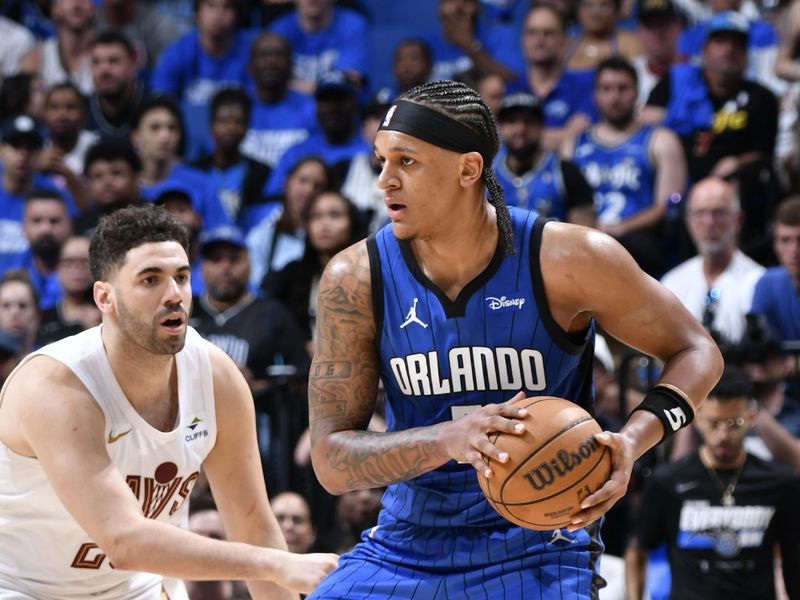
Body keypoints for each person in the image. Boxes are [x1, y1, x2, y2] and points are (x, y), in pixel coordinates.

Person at [307, 79, 723, 598]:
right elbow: (329, 461)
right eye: (381, 161)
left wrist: (631, 444)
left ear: (468, 168)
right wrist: (448, 441)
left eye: (406, 162)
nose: (384, 182)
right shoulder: (354, 277)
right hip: (405, 541)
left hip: (540, 543)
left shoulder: (569, 259)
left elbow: (698, 351)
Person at [0, 204, 338, 598]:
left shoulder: (216, 377)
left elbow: (254, 527)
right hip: (25, 587)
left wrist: (275, 567)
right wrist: (276, 563)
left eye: (181, 277)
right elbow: (123, 541)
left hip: (137, 588)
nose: (174, 294)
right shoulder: (56, 386)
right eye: (150, 280)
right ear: (105, 298)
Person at [625, 365, 800, 600]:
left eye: (734, 424)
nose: (723, 435)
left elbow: (793, 559)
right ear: (696, 419)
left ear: (752, 417)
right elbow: (638, 550)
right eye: (713, 423)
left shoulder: (779, 482)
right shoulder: (668, 481)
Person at [642, 11, 779, 260]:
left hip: (731, 185)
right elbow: (644, 127)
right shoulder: (676, 82)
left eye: (737, 44)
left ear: (747, 54)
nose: (729, 50)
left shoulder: (762, 98)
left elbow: (763, 154)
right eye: (720, 42)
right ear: (704, 49)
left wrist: (737, 163)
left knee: (743, 186)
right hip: (677, 183)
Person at [563, 56, 687, 277]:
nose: (615, 97)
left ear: (637, 92)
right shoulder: (575, 143)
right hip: (583, 242)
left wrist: (620, 228)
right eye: (606, 89)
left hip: (639, 244)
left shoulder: (660, 139)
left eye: (623, 89)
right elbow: (562, 200)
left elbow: (666, 207)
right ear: (595, 95)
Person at [660, 177, 764, 344]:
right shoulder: (672, 283)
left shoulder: (759, 281)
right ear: (688, 221)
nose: (709, 223)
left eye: (719, 213)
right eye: (700, 214)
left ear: (738, 220)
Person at [261, 191, 367, 350]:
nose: (324, 224)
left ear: (352, 223)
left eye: (335, 215)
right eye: (316, 217)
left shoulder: (370, 271)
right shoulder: (291, 275)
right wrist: (301, 348)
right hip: (303, 367)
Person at [493, 91, 595, 225]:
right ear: (499, 127)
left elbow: (585, 235)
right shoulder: (486, 174)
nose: (520, 129)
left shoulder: (567, 173)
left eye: (528, 121)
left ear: (542, 126)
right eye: (512, 121)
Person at [514, 4, 596, 150]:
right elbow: (496, 141)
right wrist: (567, 134)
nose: (539, 40)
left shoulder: (584, 87)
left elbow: (583, 140)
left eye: (548, 33)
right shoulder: (508, 89)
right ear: (523, 40)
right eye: (532, 33)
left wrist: (521, 137)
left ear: (565, 41)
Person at [239, 32, 317, 170]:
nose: (271, 62)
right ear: (250, 66)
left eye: (279, 55)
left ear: (291, 65)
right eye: (263, 56)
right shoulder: (237, 108)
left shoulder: (311, 108)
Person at [20, 0, 96, 95]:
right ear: (55, 9)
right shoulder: (36, 59)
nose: (77, 4)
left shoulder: (108, 55)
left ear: (94, 9)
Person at [36, 235, 100, 346]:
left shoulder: (107, 314)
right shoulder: (42, 319)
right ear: (57, 267)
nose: (77, 268)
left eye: (85, 262)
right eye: (69, 262)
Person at [87, 30, 151, 140]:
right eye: (96, 62)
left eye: (113, 61)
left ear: (133, 64)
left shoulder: (154, 107)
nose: (104, 70)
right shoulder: (81, 112)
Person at [0, 269, 40, 356]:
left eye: (22, 305)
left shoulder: (50, 358)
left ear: (37, 314)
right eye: (6, 305)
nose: (15, 312)